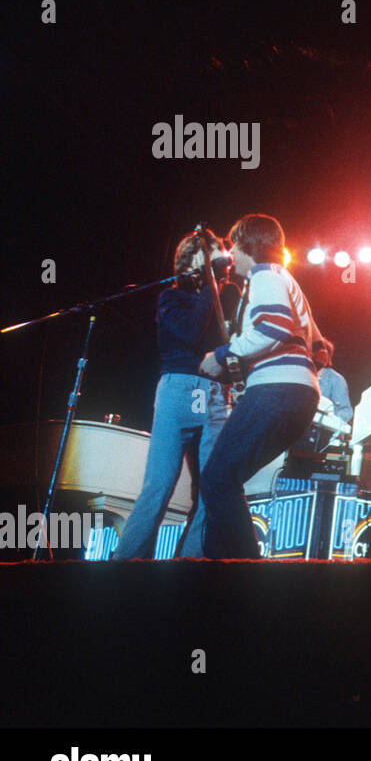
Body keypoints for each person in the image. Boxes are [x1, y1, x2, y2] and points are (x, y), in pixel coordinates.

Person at [197, 214, 323, 558]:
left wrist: (223, 354)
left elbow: (272, 329)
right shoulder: (284, 279)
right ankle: (223, 574)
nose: (229, 253)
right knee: (225, 481)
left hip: (277, 391)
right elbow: (320, 347)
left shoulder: (264, 276)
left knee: (217, 480)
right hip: (297, 393)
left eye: (232, 244)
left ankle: (245, 576)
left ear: (248, 243)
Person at [113, 229, 233, 559]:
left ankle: (190, 563)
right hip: (178, 388)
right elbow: (191, 331)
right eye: (210, 255)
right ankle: (128, 564)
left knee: (210, 487)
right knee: (159, 483)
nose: (217, 262)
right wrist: (210, 284)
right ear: (190, 259)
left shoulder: (225, 296)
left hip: (214, 394)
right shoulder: (172, 297)